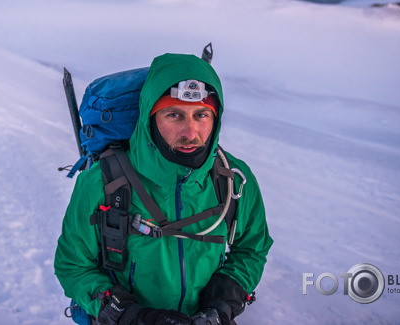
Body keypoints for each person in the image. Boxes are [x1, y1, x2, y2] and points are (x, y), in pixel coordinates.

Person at [54, 52, 273, 324]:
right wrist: (128, 315)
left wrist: (223, 300)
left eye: (202, 115)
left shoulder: (233, 180)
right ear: (150, 115)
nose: (191, 133)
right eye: (174, 115)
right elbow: (72, 265)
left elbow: (252, 248)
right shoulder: (102, 181)